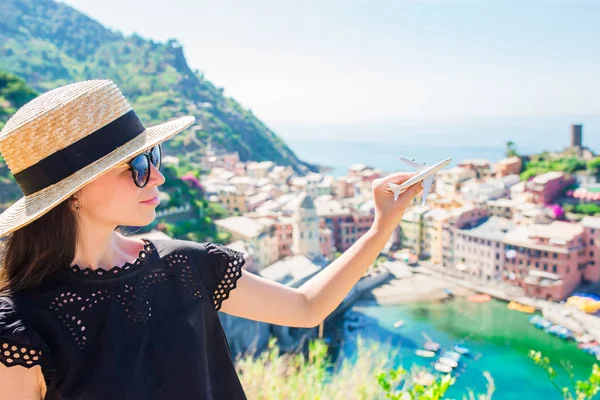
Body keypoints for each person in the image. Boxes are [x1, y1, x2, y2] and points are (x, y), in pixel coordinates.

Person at [0, 79, 423, 400]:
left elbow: (307, 308)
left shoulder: (184, 264)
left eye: (153, 157)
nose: (159, 175)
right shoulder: (20, 328)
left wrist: (381, 225)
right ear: (74, 190)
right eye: (137, 165)